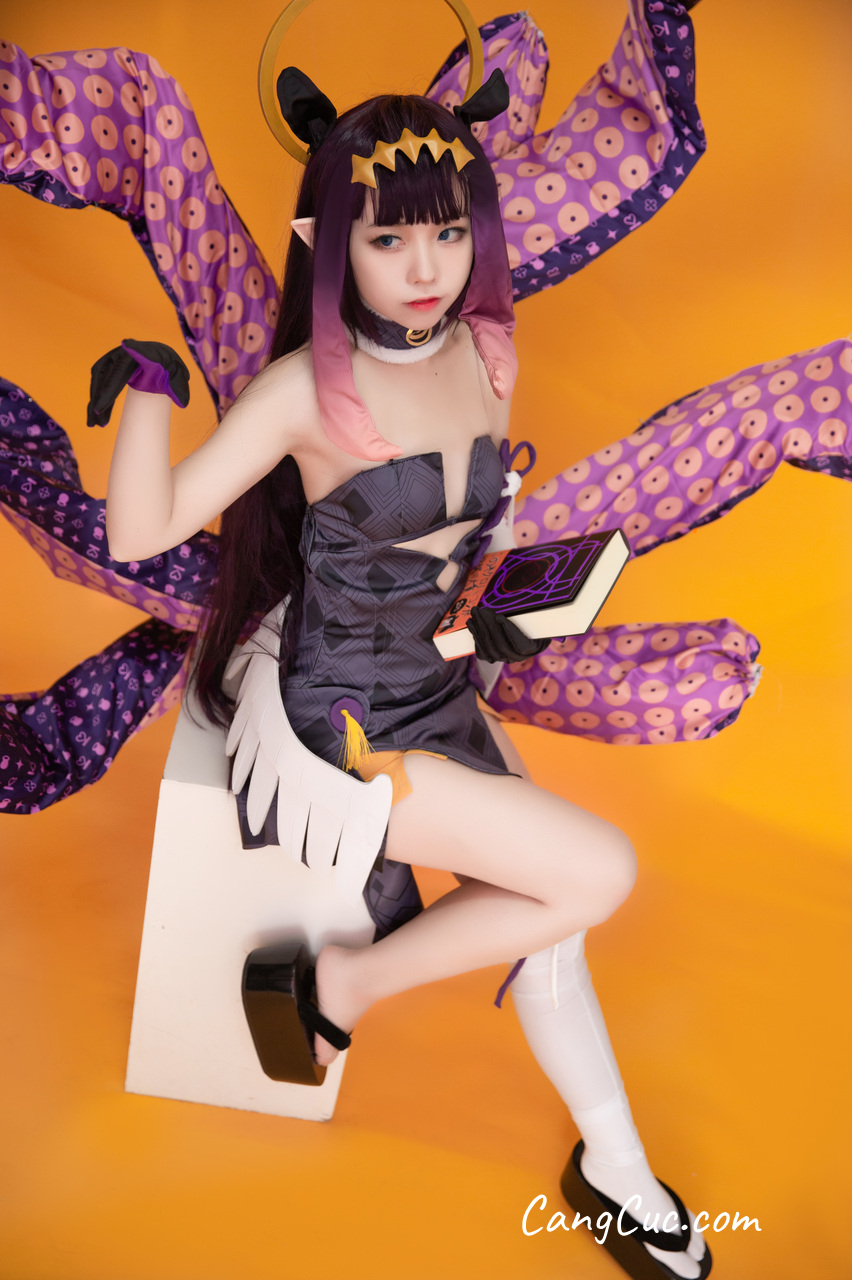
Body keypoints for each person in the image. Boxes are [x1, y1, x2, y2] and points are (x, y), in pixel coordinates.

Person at [94, 77, 711, 1279]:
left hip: (436, 684)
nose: (424, 266)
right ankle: (346, 980)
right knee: (596, 871)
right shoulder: (302, 392)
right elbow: (143, 528)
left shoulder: (488, 353)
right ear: (327, 242)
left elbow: (466, 537)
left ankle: (618, 1169)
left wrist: (500, 613)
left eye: (446, 230)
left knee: (553, 930)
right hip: (347, 716)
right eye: (387, 238)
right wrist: (151, 396)